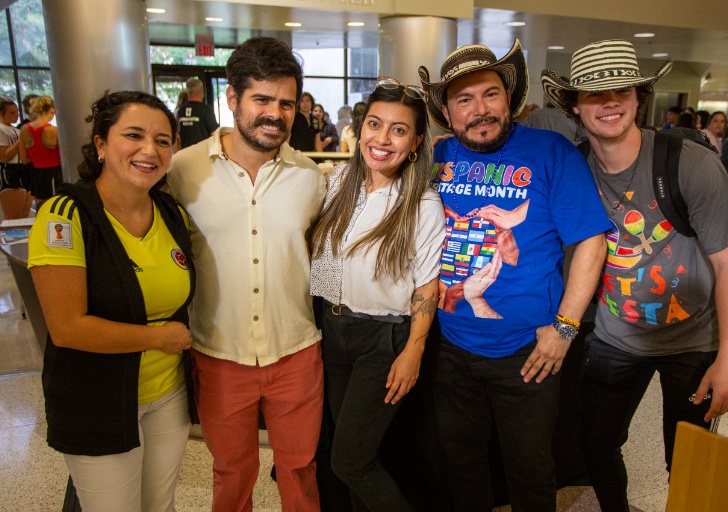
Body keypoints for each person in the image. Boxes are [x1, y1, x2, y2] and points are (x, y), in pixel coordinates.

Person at [542, 39, 728, 512]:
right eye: (594, 94)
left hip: (694, 340)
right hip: (615, 338)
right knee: (596, 446)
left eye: (622, 90)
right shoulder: (574, 170)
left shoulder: (689, 163)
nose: (610, 102)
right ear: (574, 105)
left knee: (688, 458)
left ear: (639, 97)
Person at [418, 41, 611, 512]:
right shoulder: (435, 158)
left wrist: (566, 328)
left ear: (509, 98)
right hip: (448, 347)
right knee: (461, 464)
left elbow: (591, 241)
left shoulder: (551, 152)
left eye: (490, 94)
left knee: (529, 471)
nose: (480, 110)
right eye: (464, 100)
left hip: (528, 352)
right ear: (447, 111)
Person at [165, 37, 326, 512]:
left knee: (300, 468)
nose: (275, 114)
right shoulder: (182, 171)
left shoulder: (311, 178)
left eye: (286, 103)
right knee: (232, 472)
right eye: (262, 99)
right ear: (232, 98)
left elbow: (325, 258)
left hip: (296, 351)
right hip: (219, 353)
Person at [27, 90, 196, 511]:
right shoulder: (64, 216)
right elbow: (67, 328)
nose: (149, 150)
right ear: (101, 144)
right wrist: (160, 338)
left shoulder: (171, 213)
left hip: (168, 395)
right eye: (133, 135)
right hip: (97, 402)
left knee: (160, 505)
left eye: (162, 140)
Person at [309, 78, 444, 512]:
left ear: (416, 142)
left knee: (351, 461)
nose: (382, 139)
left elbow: (427, 285)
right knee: (353, 458)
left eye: (398, 130)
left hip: (382, 340)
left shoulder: (422, 204)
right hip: (333, 330)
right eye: (374, 124)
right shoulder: (336, 184)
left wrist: (414, 350)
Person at [18, 95, 63, 202]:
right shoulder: (54, 131)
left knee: (41, 207)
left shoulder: (24, 129)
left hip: (37, 175)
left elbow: (24, 160)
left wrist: (38, 158)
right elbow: (65, 157)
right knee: (58, 206)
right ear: (51, 111)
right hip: (55, 174)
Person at [177, 77, 219, 149]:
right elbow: (214, 133)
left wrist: (178, 152)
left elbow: (176, 136)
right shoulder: (206, 110)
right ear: (201, 90)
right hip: (203, 152)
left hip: (185, 152)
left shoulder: (181, 110)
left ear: (188, 92)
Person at [521, 101, 586, 144]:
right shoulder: (573, 118)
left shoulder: (533, 115)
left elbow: (521, 133)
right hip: (564, 155)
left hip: (537, 154)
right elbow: (584, 139)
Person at [0, 97, 24, 190]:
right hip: (9, 170)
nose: (17, 116)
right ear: (1, 113)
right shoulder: (1, 130)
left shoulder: (17, 130)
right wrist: (21, 140)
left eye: (17, 112)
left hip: (22, 169)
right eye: (12, 113)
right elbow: (4, 157)